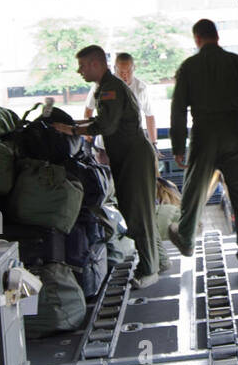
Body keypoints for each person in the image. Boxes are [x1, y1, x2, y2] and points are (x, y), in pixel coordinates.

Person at [54, 45, 160, 288]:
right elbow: (101, 120)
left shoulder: (111, 89)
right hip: (128, 156)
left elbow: (107, 126)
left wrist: (71, 130)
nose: (79, 71)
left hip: (132, 156)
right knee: (140, 210)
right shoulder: (105, 88)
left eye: (82, 65)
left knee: (137, 213)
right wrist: (72, 123)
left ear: (95, 64)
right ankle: (158, 261)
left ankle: (149, 270)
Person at [168, 18, 238, 285]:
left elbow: (177, 110)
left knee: (194, 189)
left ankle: (186, 238)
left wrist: (178, 145)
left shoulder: (189, 67)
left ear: (197, 39)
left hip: (203, 134)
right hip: (235, 131)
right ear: (217, 36)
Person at [84, 52, 157, 148]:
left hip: (131, 145)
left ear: (134, 68)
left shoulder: (141, 88)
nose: (125, 75)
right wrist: (87, 141)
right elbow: (88, 110)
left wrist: (153, 144)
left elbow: (149, 116)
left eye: (128, 71)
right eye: (121, 72)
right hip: (105, 145)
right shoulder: (101, 86)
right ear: (114, 69)